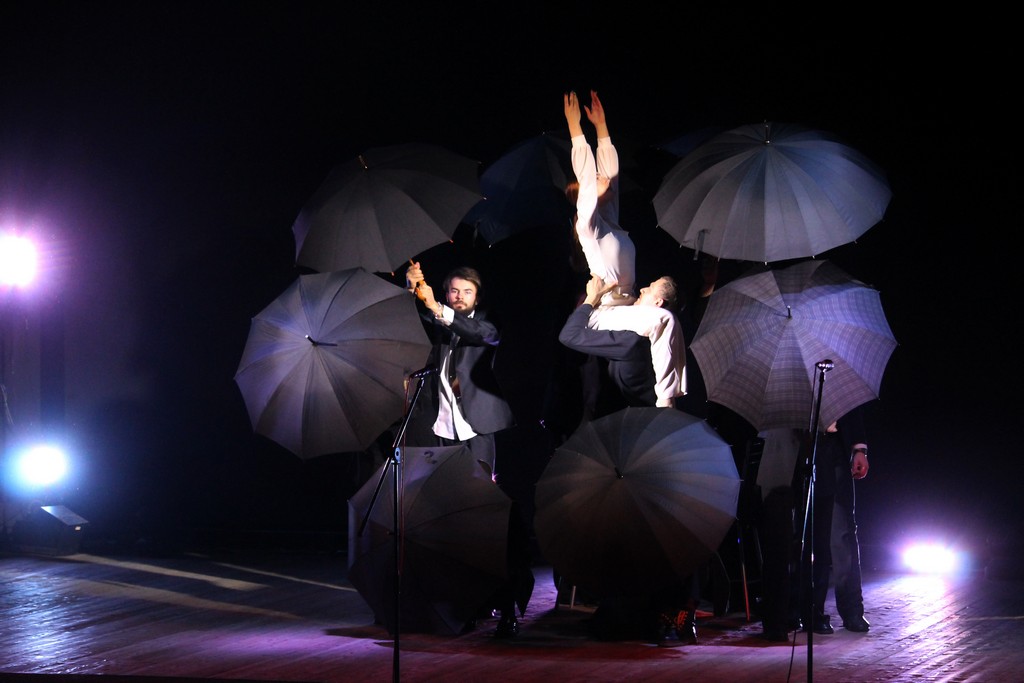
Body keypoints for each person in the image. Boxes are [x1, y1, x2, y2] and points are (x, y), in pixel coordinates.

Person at [556, 273, 700, 646]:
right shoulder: (651, 334)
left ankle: (663, 613)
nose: (641, 290)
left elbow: (570, 335)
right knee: (646, 531)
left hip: (648, 445)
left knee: (649, 532)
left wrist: (591, 297)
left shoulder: (637, 338)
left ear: (659, 303)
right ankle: (659, 613)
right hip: (647, 440)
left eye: (649, 289)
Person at [404, 260, 527, 638]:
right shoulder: (435, 322)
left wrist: (433, 305)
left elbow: (478, 333)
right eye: (454, 291)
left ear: (477, 296)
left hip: (477, 432)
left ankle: (506, 605)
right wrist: (412, 290)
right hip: (440, 432)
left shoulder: (486, 323)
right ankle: (464, 603)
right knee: (449, 519)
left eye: (466, 292)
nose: (459, 297)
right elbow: (408, 324)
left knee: (486, 518)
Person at [563, 90, 685, 410]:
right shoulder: (589, 228)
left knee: (664, 319)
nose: (600, 177)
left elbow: (611, 177)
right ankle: (666, 401)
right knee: (663, 319)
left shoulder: (610, 222)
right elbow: (587, 176)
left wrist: (602, 129)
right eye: (594, 179)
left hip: (624, 311)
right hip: (605, 314)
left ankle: (664, 396)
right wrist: (575, 129)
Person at [757, 403, 872, 641]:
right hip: (788, 445)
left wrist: (858, 446)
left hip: (828, 446)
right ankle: (788, 613)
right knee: (786, 536)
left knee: (834, 533)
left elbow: (848, 398)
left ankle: (836, 609)